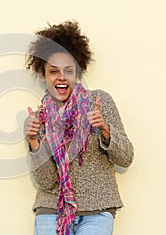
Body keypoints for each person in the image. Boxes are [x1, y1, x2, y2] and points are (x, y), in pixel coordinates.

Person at [25, 20, 134, 235]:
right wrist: (34, 142)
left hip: (97, 209)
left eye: (68, 70)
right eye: (53, 71)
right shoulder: (36, 120)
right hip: (51, 210)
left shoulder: (100, 102)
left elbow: (126, 158)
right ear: (43, 75)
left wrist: (104, 128)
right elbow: (46, 182)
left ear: (78, 72)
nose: (62, 78)